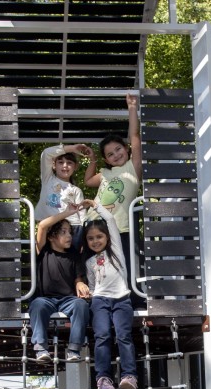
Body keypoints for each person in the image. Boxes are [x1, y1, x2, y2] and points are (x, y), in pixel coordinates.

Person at [84, 93, 143, 307]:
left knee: (124, 263)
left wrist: (132, 108)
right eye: (109, 154)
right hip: (94, 223)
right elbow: (88, 180)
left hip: (120, 227)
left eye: (118, 149)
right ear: (106, 159)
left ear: (126, 149)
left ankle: (132, 301)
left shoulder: (132, 168)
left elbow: (135, 136)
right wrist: (92, 160)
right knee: (93, 265)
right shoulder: (105, 173)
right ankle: (92, 299)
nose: (116, 154)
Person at [82, 205, 138, 389]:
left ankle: (129, 376)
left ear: (107, 237)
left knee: (123, 335)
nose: (95, 241)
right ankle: (103, 378)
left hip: (121, 299)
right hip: (99, 301)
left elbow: (112, 221)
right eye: (91, 238)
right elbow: (92, 284)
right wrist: (87, 292)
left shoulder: (115, 251)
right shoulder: (90, 262)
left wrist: (95, 205)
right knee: (102, 335)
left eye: (99, 236)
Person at [28, 207, 91, 364]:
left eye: (70, 232)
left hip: (67, 300)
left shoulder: (74, 255)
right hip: (47, 299)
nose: (69, 236)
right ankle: (41, 348)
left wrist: (80, 284)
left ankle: (74, 349)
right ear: (51, 237)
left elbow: (78, 278)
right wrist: (69, 212)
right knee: (37, 304)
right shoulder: (43, 251)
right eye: (63, 232)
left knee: (81, 305)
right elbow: (42, 225)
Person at [36, 143, 93, 250]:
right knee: (46, 259)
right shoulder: (48, 179)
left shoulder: (76, 190)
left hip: (73, 229)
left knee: (71, 263)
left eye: (69, 163)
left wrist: (83, 240)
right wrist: (72, 148)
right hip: (49, 227)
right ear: (54, 165)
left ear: (75, 167)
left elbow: (82, 216)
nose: (65, 166)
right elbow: (46, 154)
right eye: (60, 162)